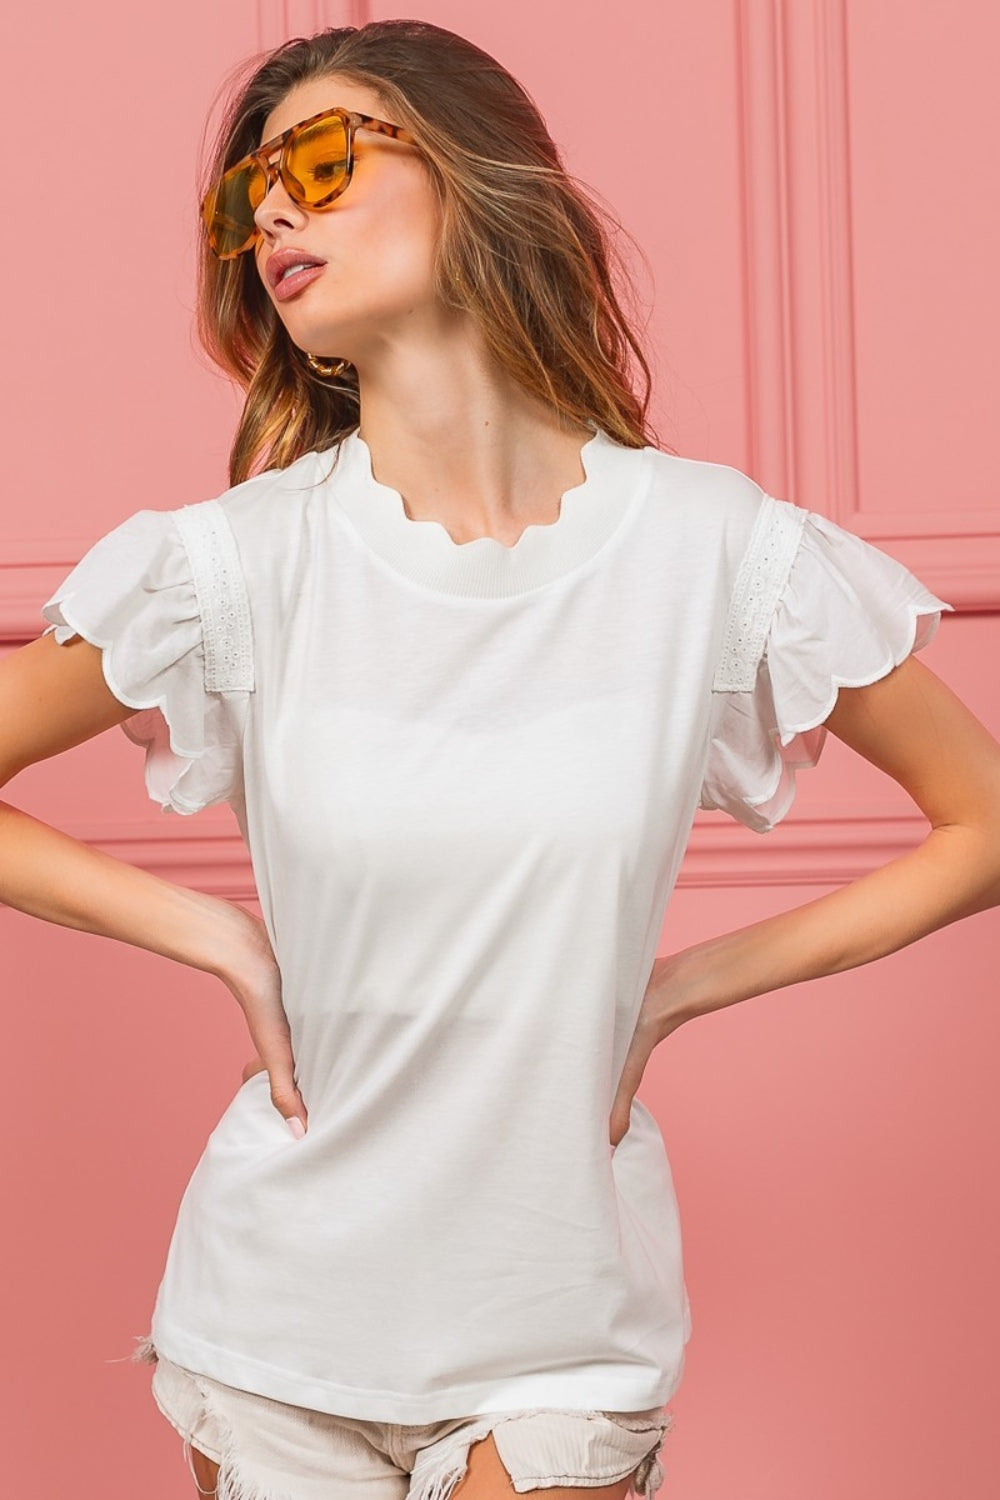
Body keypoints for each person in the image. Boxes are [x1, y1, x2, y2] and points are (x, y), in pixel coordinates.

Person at [2, 17, 999, 1500]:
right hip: (280, 1319)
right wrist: (216, 933)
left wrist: (675, 992)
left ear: (476, 174)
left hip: (561, 1308)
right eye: (243, 199)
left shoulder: (716, 551)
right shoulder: (230, 567)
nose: (272, 210)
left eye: (323, 160)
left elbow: (981, 821)